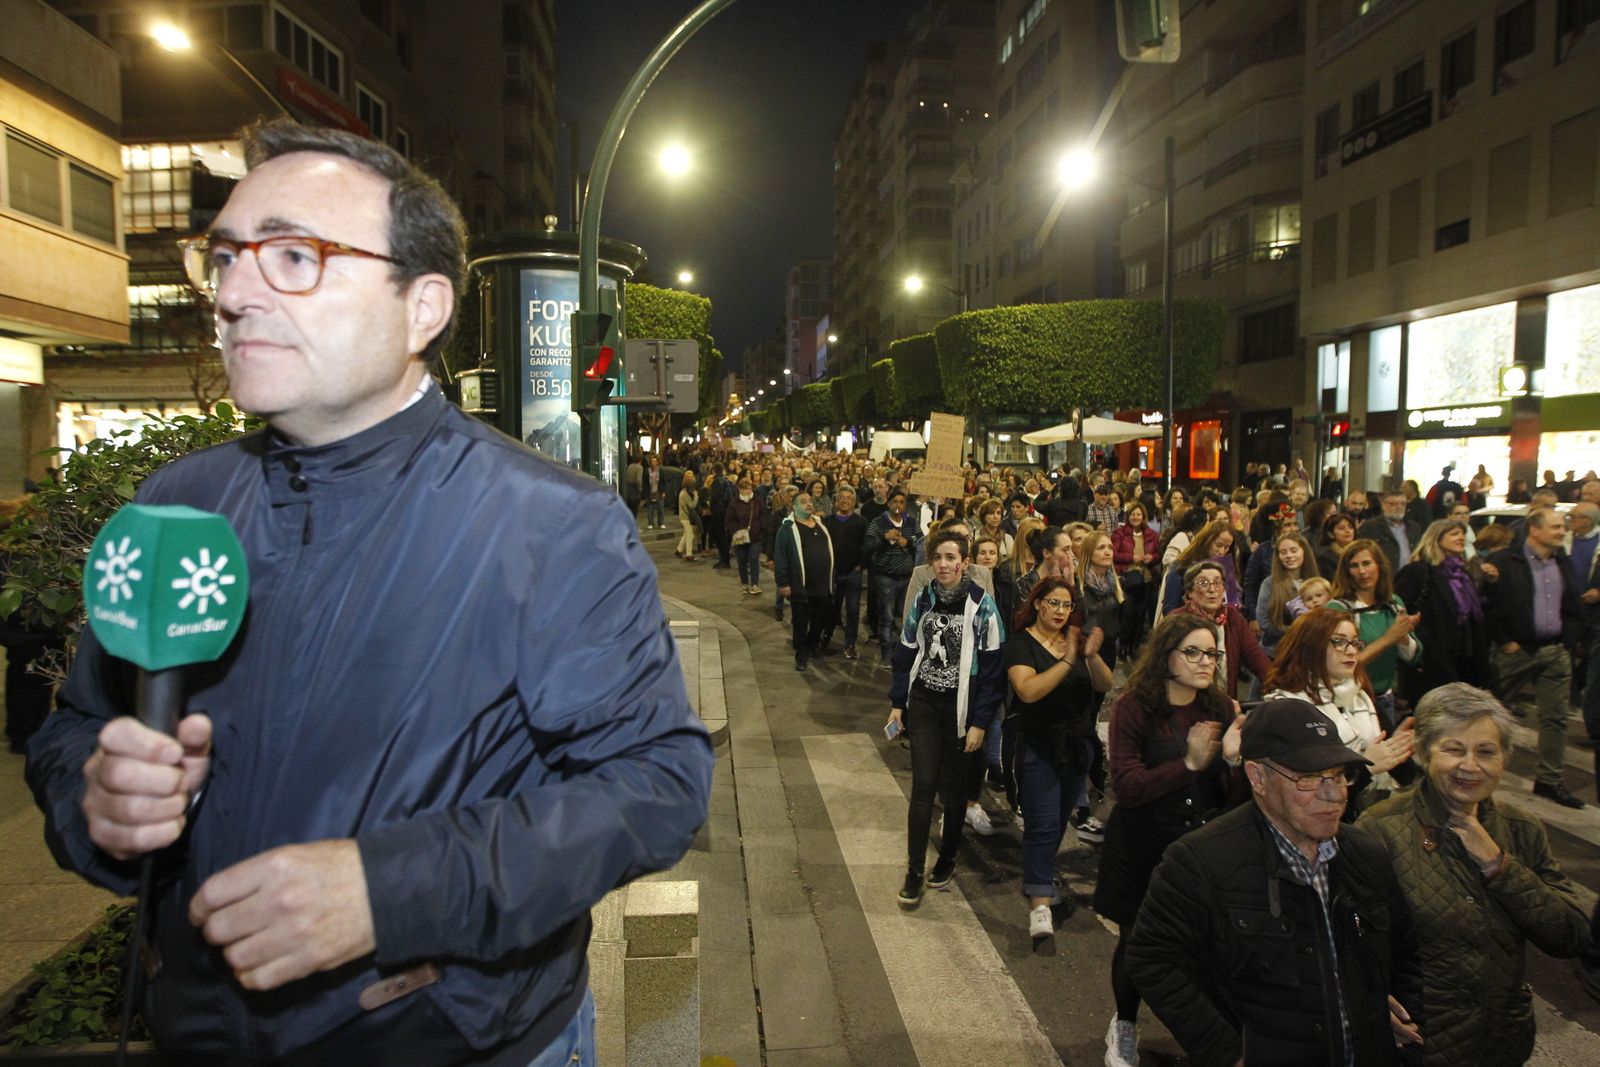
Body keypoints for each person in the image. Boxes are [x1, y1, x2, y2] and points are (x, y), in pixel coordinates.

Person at [24, 120, 713, 1064]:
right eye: (221, 257)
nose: (232, 293)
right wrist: (98, 802)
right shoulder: (175, 504)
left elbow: (657, 785)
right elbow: (71, 730)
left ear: (422, 306)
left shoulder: (553, 525)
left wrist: (390, 893)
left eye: (295, 255)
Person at [1126, 698, 1422, 1067]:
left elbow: (1407, 953)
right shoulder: (1200, 861)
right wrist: (1225, 1052)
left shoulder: (1366, 854)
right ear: (1257, 777)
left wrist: (1395, 1025)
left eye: (1339, 775)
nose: (1333, 794)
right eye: (1309, 778)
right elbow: (1151, 959)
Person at [1359, 684, 1592, 1066]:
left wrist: (1500, 865)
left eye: (1486, 751)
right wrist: (1369, 1001)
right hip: (1418, 1041)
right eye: (1454, 749)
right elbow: (1351, 936)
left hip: (1501, 1040)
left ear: (1506, 757)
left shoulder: (1522, 829)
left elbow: (1570, 935)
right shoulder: (1381, 827)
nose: (1470, 766)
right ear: (1422, 753)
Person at [1093, 614, 1244, 1067]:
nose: (1205, 662)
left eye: (1211, 653)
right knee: (1139, 944)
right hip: (1143, 846)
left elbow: (1232, 798)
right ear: (1167, 655)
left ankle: (1212, 1038)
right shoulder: (1134, 706)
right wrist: (1190, 764)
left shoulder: (1219, 707)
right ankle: (1124, 1024)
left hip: (1201, 849)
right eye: (1193, 652)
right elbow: (1128, 785)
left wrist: (1234, 763)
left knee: (1205, 948)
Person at [886, 530, 1005, 909]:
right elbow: (905, 650)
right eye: (937, 557)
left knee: (952, 791)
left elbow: (992, 673)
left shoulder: (983, 606)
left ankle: (949, 856)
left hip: (961, 711)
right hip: (923, 703)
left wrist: (980, 723)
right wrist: (897, 702)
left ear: (964, 563)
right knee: (922, 786)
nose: (943, 564)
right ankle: (914, 869)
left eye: (950, 557)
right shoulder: (923, 598)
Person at [1006, 578, 1113, 939]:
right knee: (1043, 823)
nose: (1060, 612)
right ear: (1038, 604)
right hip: (1039, 745)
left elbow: (1104, 685)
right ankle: (1039, 904)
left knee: (1060, 818)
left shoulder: (1076, 643)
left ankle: (1040, 872)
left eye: (1066, 606)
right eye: (1053, 603)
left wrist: (1091, 655)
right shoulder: (1021, 644)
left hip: (1076, 745)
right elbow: (1028, 690)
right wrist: (1067, 660)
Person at [1263, 609, 1417, 814]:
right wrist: (1367, 767)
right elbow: (1303, 791)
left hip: (1367, 816)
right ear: (1311, 647)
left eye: (1355, 642)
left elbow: (1405, 777)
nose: (1352, 651)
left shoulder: (1361, 697)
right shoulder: (1286, 707)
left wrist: (1397, 750)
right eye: (1339, 642)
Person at [1485, 505, 1585, 808]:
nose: (1562, 531)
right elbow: (1487, 605)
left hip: (1554, 650)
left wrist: (1568, 640)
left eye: (1562, 526)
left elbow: (1572, 605)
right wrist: (1504, 640)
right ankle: (1477, 778)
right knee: (1487, 712)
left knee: (1555, 718)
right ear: (1535, 530)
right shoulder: (1505, 560)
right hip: (1516, 651)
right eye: (1555, 527)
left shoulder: (1562, 562)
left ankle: (1549, 781)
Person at [1328, 539, 1422, 737]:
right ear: (1346, 572)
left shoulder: (1393, 603)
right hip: (1349, 700)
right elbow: (1341, 665)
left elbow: (1412, 656)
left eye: (1367, 563)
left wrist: (1403, 636)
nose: (1362, 572)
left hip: (1385, 698)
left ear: (1380, 566)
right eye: (1354, 565)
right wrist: (1389, 638)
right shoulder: (1337, 609)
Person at [1394, 518, 1490, 698]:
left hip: (1464, 655)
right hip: (1432, 658)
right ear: (1436, 539)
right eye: (1454, 534)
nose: (1461, 537)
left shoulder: (1463, 574)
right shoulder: (1419, 571)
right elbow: (1399, 608)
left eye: (1462, 534)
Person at [1170, 560, 1272, 700]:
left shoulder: (1232, 617)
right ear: (1189, 592)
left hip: (1224, 702)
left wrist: (1279, 686)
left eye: (1218, 583)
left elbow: (1255, 656)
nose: (1212, 589)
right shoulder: (1176, 620)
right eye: (1203, 583)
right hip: (1186, 703)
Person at [775, 491, 835, 671]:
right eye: (803, 502)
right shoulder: (787, 528)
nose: (809, 504)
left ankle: (812, 644)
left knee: (819, 618)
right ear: (794, 507)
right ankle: (801, 652)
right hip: (801, 585)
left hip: (822, 584)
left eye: (810, 501)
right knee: (801, 621)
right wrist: (784, 583)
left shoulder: (820, 524)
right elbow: (781, 557)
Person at [1256, 531, 1320, 658]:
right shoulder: (1269, 584)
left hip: (1310, 653)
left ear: (1304, 551)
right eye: (1283, 552)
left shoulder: (1317, 582)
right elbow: (1263, 622)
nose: (1289, 556)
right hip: (1276, 653)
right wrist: (1296, 631)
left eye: (1293, 550)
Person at [823, 485, 867, 660]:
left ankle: (850, 643)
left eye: (848, 498)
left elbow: (867, 545)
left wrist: (860, 566)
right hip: (832, 573)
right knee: (831, 609)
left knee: (853, 610)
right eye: (842, 497)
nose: (845, 501)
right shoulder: (827, 521)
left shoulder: (861, 522)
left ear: (854, 501)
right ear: (836, 500)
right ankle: (826, 638)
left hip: (853, 573)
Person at [1570, 502, 1600, 756]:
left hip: (1593, 614)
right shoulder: (1567, 541)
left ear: (1588, 520)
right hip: (1571, 611)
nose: (1569, 521)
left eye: (1574, 517)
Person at [1111, 501, 1158, 649]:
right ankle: (1124, 647)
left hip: (1146, 579)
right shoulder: (1120, 533)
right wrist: (1132, 558)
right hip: (1127, 579)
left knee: (1140, 616)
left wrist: (1152, 558)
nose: (1136, 517)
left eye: (1139, 514)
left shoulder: (1151, 534)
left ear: (1143, 516)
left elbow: (1158, 554)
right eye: (1133, 514)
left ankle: (1134, 647)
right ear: (1128, 516)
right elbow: (1114, 554)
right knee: (1128, 615)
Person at [1358, 490, 1423, 573]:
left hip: (1409, 578)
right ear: (1383, 505)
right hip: (1383, 577)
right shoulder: (1370, 527)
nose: (1399, 507)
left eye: (1403, 504)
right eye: (1393, 504)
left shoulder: (1414, 528)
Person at [726, 475, 768, 595]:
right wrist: (736, 530)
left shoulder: (757, 501)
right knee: (742, 561)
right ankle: (744, 583)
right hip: (740, 537)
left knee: (754, 559)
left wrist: (761, 528)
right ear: (740, 489)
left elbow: (763, 515)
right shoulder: (734, 503)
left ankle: (755, 584)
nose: (747, 491)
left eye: (749, 488)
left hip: (755, 536)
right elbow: (729, 519)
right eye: (744, 489)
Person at [676, 469, 701, 562]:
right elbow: (692, 505)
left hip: (683, 516)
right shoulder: (685, 494)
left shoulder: (682, 492)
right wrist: (696, 496)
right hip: (685, 517)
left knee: (686, 534)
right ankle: (689, 554)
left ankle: (679, 550)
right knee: (690, 534)